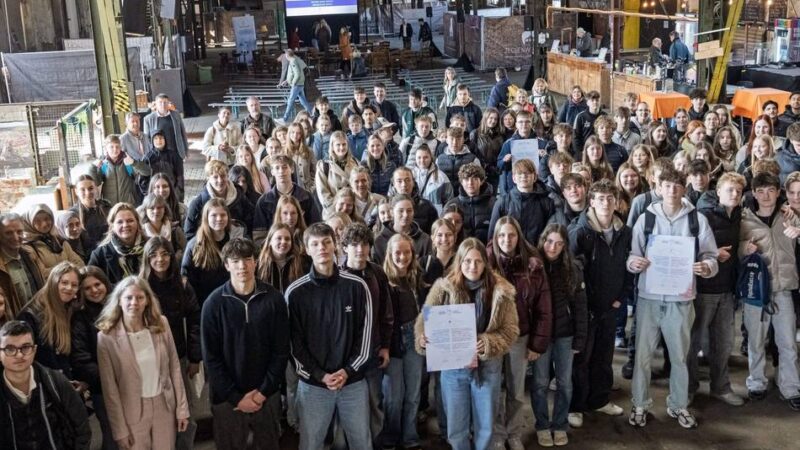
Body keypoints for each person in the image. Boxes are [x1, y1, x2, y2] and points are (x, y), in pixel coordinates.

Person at [626, 166, 719, 428]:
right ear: (658, 186)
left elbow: (710, 256)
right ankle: (639, 404)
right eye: (667, 185)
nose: (672, 190)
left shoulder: (696, 220)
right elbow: (633, 254)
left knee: (679, 357)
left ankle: (678, 405)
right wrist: (634, 264)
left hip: (681, 299)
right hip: (649, 297)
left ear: (685, 186)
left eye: (677, 185)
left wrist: (707, 267)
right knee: (643, 357)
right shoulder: (647, 219)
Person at [415, 238, 519, 450]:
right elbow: (422, 323)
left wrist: (488, 343)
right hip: (454, 369)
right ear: (459, 262)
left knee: (486, 426)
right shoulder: (443, 288)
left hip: (487, 368)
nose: (473, 266)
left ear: (485, 263)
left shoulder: (500, 291)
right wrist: (423, 338)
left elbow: (511, 331)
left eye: (478, 261)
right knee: (456, 427)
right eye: (467, 261)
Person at [285, 223, 374, 450]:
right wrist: (320, 375)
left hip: (352, 383)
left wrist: (348, 371)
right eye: (315, 244)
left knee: (361, 443)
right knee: (310, 444)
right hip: (314, 386)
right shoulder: (295, 293)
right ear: (306, 249)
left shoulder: (357, 286)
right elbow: (294, 344)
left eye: (326, 242)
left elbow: (365, 337)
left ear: (335, 245)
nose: (322, 248)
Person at [201, 237, 289, 449]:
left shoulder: (274, 299)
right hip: (227, 399)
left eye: (247, 259)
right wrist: (236, 397)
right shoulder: (213, 304)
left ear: (255, 262)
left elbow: (281, 351)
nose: (242, 266)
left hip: (267, 395)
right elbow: (211, 359)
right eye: (236, 261)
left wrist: (262, 393)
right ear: (226, 265)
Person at [567, 179, 633, 427]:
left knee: (604, 357)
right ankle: (575, 405)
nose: (606, 203)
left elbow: (630, 268)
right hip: (585, 309)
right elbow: (571, 273)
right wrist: (582, 306)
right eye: (600, 198)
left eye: (610, 198)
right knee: (581, 359)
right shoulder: (579, 232)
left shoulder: (624, 232)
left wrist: (620, 297)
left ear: (616, 202)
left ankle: (599, 399)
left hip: (611, 307)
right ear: (591, 202)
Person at [97, 276, 189, 449]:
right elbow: (110, 390)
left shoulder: (161, 324)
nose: (134, 303)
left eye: (140, 297)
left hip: (164, 406)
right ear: (119, 301)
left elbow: (174, 368)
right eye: (128, 298)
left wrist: (182, 409)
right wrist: (119, 431)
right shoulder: (106, 337)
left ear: (147, 300)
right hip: (131, 413)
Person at [488, 217, 551, 450]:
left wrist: (537, 343)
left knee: (516, 391)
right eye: (502, 235)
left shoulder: (533, 266)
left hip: (520, 337)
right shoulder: (485, 263)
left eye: (511, 235)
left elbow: (543, 306)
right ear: (495, 237)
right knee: (493, 389)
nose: (506, 240)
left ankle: (513, 433)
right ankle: (496, 434)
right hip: (493, 337)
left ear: (519, 237)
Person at [738, 173, 800, 410]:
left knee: (787, 342)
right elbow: (734, 251)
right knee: (756, 340)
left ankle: (791, 387)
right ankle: (756, 383)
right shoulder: (744, 219)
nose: (766, 196)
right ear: (753, 193)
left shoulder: (789, 216)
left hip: (783, 289)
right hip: (756, 291)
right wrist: (745, 248)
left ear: (778, 192)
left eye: (770, 190)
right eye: (760, 191)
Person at [689, 172, 747, 406]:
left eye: (739, 191)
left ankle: (720, 388)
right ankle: (689, 388)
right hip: (703, 290)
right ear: (718, 191)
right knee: (692, 345)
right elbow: (689, 246)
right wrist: (713, 255)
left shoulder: (740, 216)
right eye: (730, 190)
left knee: (723, 344)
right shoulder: (704, 216)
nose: (734, 194)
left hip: (727, 290)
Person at [339, 223, 394, 447]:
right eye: (354, 245)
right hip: (344, 356)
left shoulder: (377, 272)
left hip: (372, 351)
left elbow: (386, 312)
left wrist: (385, 346)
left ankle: (374, 442)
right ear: (344, 248)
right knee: (346, 406)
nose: (360, 249)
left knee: (374, 402)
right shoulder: (337, 275)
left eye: (364, 244)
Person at [532, 223, 587, 447]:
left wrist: (580, 337)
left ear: (565, 246)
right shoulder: (534, 267)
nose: (552, 247)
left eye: (558, 243)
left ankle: (560, 423)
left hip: (565, 335)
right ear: (542, 240)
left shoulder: (572, 268)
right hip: (541, 336)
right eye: (549, 241)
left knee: (564, 383)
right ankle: (542, 425)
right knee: (540, 383)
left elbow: (581, 306)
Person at [0, 320, 91, 449]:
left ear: (34, 350)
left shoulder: (56, 382)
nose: (19, 355)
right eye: (10, 349)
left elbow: (82, 426)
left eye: (25, 347)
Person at [378, 232, 422, 448]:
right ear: (389, 254)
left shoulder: (417, 277)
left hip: (415, 338)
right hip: (392, 341)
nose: (402, 257)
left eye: (407, 252)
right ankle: (390, 439)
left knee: (413, 394)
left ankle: (410, 437)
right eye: (398, 252)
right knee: (393, 397)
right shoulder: (382, 280)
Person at [71, 266, 116, 450]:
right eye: (87, 288)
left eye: (97, 284)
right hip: (102, 387)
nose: (94, 290)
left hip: (128, 381)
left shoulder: (120, 304)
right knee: (112, 435)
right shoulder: (80, 317)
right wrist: (108, 379)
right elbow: (81, 358)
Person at [16, 261, 80, 377]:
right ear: (53, 282)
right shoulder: (30, 316)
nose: (69, 288)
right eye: (64, 282)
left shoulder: (71, 309)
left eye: (74, 285)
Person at [182, 199, 244, 307]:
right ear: (206, 218)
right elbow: (185, 275)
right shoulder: (195, 244)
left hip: (230, 301)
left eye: (223, 215)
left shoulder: (235, 242)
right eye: (214, 215)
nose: (219, 219)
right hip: (203, 302)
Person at [253, 155, 320, 247]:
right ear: (272, 171)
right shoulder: (263, 201)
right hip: (275, 250)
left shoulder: (306, 197)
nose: (281, 171)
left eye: (285, 167)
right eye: (277, 168)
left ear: (292, 169)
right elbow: (259, 235)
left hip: (302, 248)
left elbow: (315, 227)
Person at [489, 159, 555, 246]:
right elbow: (493, 234)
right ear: (514, 178)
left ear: (535, 177)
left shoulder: (547, 203)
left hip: (538, 253)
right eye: (519, 173)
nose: (524, 176)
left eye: (527, 173)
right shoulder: (502, 202)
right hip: (510, 254)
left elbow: (550, 233)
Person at [184, 160, 253, 242]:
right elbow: (189, 232)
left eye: (223, 176)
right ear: (208, 178)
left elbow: (250, 221)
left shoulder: (240, 196)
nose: (220, 180)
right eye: (215, 177)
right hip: (209, 245)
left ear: (228, 176)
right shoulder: (198, 203)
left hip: (236, 243)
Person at [88, 203, 146, 285]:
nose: (125, 225)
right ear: (112, 226)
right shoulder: (99, 255)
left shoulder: (151, 246)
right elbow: (90, 284)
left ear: (137, 223)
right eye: (120, 222)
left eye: (130, 221)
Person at [21, 204, 84, 277]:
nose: (44, 224)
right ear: (30, 223)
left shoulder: (59, 240)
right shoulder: (29, 247)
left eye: (47, 219)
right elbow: (42, 274)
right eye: (37, 221)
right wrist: (69, 267)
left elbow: (80, 263)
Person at [0, 214, 44, 317]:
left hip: (38, 318)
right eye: (8, 233)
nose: (15, 237)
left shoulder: (30, 255)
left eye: (19, 232)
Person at [373, 194, 433, 264]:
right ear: (392, 212)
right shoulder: (380, 240)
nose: (405, 215)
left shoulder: (424, 240)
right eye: (401, 211)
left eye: (409, 211)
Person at [444, 164, 494, 243]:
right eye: (466, 179)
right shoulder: (452, 204)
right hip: (460, 250)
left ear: (481, 181)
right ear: (461, 182)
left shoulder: (494, 203)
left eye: (475, 179)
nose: (470, 183)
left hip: (486, 249)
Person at [390, 167, 439, 233]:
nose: (404, 185)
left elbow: (435, 232)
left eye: (407, 180)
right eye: (399, 181)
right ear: (394, 184)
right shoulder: (386, 206)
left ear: (413, 182)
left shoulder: (427, 206)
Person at [144, 93, 189, 160]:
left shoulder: (176, 115)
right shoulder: (148, 119)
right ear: (156, 104)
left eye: (165, 102)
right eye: (160, 102)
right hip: (160, 156)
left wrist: (186, 151)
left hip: (176, 153)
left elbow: (183, 133)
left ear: (168, 103)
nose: (163, 105)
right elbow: (146, 140)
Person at [279, 50, 314, 123]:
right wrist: (287, 81)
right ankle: (312, 114)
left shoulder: (293, 62)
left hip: (296, 85)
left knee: (290, 101)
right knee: (303, 101)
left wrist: (293, 83)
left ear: (287, 55)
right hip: (299, 84)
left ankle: (285, 119)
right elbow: (293, 74)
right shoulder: (294, 61)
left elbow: (297, 74)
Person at [572, 90, 606, 158]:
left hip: (600, 151)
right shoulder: (580, 117)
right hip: (585, 152)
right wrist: (580, 153)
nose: (595, 102)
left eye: (597, 100)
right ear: (587, 103)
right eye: (592, 100)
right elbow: (576, 137)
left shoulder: (605, 116)